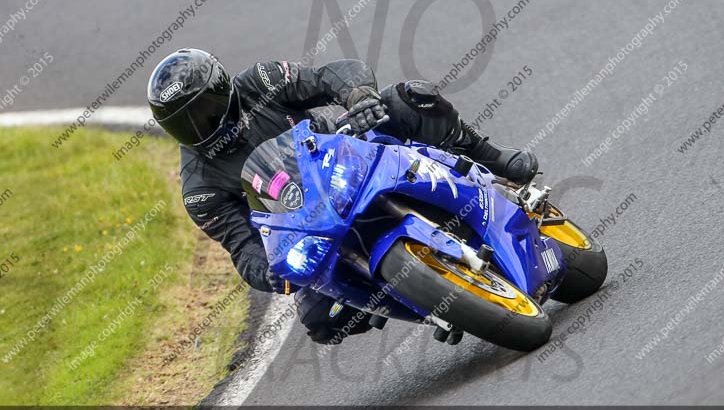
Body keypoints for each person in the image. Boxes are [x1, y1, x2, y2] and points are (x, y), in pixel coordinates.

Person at [147, 48, 537, 344]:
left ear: (224, 90)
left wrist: (359, 98)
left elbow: (330, 75)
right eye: (185, 123)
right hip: (311, 228)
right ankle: (434, 306)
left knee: (407, 98)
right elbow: (242, 248)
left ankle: (491, 157)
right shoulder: (200, 188)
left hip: (347, 157)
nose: (202, 126)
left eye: (206, 110)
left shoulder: (259, 82)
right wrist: (270, 271)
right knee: (321, 319)